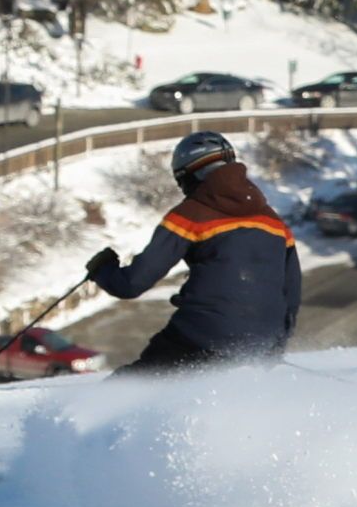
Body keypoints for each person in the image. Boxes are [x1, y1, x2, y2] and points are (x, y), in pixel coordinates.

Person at [87, 130, 302, 372]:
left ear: (187, 175)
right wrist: (274, 346)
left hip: (202, 334)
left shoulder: (191, 214)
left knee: (131, 388)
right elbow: (291, 293)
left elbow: (131, 284)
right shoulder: (274, 221)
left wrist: (102, 270)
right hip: (264, 344)